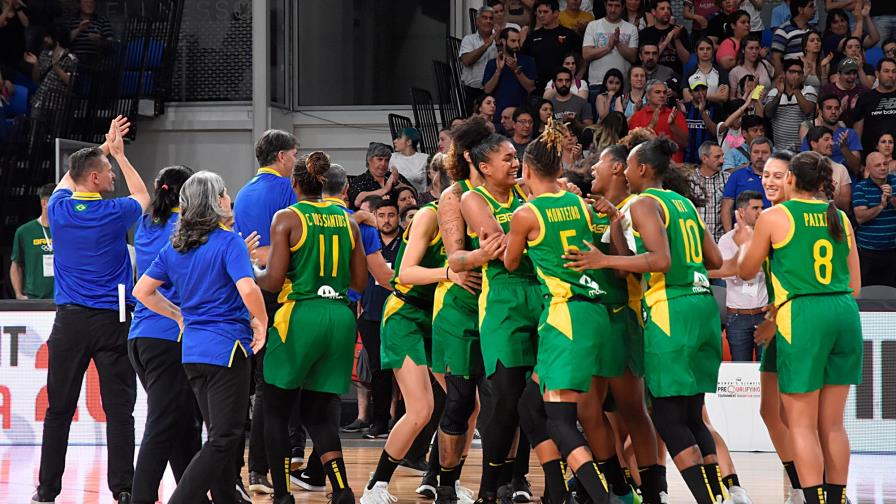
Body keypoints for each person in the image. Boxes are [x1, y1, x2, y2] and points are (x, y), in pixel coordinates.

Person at [563, 138, 726, 504]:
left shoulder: (642, 202)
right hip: (702, 304)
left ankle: (691, 497)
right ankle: (719, 494)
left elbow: (660, 260)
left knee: (667, 419)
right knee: (692, 416)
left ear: (639, 169)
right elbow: (713, 259)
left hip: (668, 309)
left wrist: (603, 261)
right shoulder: (682, 203)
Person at [133, 168, 266, 504]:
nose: (228, 198)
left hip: (191, 352)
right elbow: (248, 288)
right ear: (215, 201)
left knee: (216, 438)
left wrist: (178, 315)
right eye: (223, 193)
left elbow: (142, 291)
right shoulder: (228, 241)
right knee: (225, 436)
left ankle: (225, 499)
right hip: (226, 349)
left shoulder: (175, 247)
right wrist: (261, 320)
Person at [31, 117, 147, 504]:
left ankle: (46, 491)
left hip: (69, 322)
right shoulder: (114, 212)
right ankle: (124, 489)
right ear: (95, 179)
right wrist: (119, 154)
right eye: (108, 172)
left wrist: (101, 149)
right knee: (120, 412)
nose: (113, 175)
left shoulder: (60, 209)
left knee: (58, 409)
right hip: (112, 321)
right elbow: (144, 198)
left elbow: (70, 176)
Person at [503, 122, 620, 504]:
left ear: (527, 167)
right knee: (530, 405)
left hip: (564, 315)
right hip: (594, 311)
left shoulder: (526, 214)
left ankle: (605, 498)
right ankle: (555, 492)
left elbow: (510, 261)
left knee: (561, 421)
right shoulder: (576, 201)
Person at [736, 151, 862, 504]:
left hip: (803, 315)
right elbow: (855, 286)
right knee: (833, 425)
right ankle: (837, 498)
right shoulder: (839, 216)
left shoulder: (775, 216)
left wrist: (747, 243)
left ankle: (812, 497)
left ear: (791, 178)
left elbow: (746, 272)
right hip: (844, 312)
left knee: (802, 423)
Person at [252, 152, 367, 504]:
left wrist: (249, 269)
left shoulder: (286, 218)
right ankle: (343, 490)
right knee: (320, 409)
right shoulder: (348, 221)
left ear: (294, 183)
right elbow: (360, 281)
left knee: (275, 407)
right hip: (340, 316)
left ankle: (283, 494)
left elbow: (271, 282)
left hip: (301, 315)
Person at [361, 186, 477, 504]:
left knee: (468, 404)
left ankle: (445, 482)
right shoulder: (429, 215)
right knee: (421, 409)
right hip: (406, 314)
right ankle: (376, 485)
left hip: (438, 316)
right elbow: (406, 272)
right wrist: (448, 273)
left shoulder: (478, 214)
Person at [588, 144, 667, 503]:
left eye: (599, 165)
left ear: (620, 168)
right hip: (595, 319)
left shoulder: (635, 210)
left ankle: (651, 491)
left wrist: (613, 228)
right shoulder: (602, 209)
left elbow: (623, 268)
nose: (592, 170)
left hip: (625, 317)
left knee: (633, 412)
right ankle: (615, 486)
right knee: (595, 412)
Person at [128, 165, 204, 504]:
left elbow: (141, 194)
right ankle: (141, 496)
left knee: (183, 421)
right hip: (168, 337)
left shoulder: (147, 222)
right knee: (163, 424)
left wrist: (118, 154)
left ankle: (193, 495)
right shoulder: (185, 230)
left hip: (141, 337)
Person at [232, 128, 298, 492]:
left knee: (256, 383)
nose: (296, 162)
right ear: (282, 157)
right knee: (274, 385)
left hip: (248, 291)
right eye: (294, 155)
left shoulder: (241, 193)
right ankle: (263, 465)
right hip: (281, 293)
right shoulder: (288, 191)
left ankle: (253, 470)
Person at [431, 118, 492, 503]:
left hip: (502, 308)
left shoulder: (514, 192)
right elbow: (456, 256)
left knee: (505, 403)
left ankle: (506, 482)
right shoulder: (454, 196)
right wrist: (473, 259)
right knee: (459, 401)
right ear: (473, 156)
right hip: (462, 309)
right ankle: (446, 485)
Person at [750, 150, 805, 504]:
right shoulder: (770, 218)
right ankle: (800, 485)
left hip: (797, 321)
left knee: (803, 414)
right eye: (766, 174)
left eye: (778, 175)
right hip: (779, 319)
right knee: (770, 411)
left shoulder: (786, 217)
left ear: (793, 179)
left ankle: (814, 486)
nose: (769, 180)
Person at [709, 190, 767, 362]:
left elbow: (767, 268)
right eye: (755, 208)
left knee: (768, 369)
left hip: (764, 313)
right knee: (739, 371)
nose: (760, 212)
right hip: (736, 315)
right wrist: (749, 266)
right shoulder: (727, 240)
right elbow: (725, 271)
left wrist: (738, 267)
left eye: (762, 208)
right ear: (741, 212)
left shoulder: (768, 237)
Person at [851, 152, 896, 287]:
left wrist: (892, 199)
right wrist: (881, 205)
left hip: (893, 251)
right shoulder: (861, 187)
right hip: (868, 252)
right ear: (868, 169)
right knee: (868, 293)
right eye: (878, 165)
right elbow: (860, 218)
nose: (883, 168)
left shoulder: (895, 182)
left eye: (885, 164)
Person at [523, 0, 582, 94]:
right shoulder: (532, 36)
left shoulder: (569, 34)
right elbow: (524, 59)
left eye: (545, 12)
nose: (541, 15)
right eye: (539, 12)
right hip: (539, 88)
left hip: (565, 86)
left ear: (556, 13)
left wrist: (578, 77)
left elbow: (582, 58)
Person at [483, 27, 537, 125]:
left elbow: (530, 88)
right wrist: (498, 70)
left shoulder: (528, 61)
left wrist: (516, 70)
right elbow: (487, 89)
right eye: (513, 41)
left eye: (518, 41)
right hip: (498, 117)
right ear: (503, 41)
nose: (517, 45)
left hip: (521, 116)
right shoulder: (492, 63)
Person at [10, 183, 56, 300]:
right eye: (57, 202)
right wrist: (18, 294)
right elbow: (16, 265)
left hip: (63, 299)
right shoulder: (24, 232)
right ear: (44, 203)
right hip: (34, 298)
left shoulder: (68, 231)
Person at [24, 23, 77, 123]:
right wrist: (35, 64)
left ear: (56, 39)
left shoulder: (70, 58)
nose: (45, 39)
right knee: (34, 132)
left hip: (57, 104)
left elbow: (71, 82)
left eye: (48, 36)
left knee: (54, 134)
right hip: (39, 101)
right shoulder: (44, 54)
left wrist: (56, 67)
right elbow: (36, 79)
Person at [627, 80, 688, 163]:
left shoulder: (676, 114)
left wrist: (673, 125)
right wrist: (652, 124)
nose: (662, 95)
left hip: (672, 169)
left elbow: (685, 143)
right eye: (657, 92)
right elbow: (633, 145)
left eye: (664, 92)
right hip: (646, 166)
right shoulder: (637, 116)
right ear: (648, 95)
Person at [764, 58, 818, 152]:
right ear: (784, 74)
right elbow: (768, 113)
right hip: (780, 150)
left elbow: (808, 110)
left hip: (804, 150)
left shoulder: (809, 90)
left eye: (799, 73)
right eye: (792, 72)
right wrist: (779, 94)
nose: (796, 76)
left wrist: (796, 89)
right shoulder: (774, 92)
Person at [582, 0, 639, 87]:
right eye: (610, 5)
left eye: (617, 6)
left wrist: (618, 44)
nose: (613, 9)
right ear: (605, 5)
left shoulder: (632, 28)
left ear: (623, 7)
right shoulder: (593, 25)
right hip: (597, 83)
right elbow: (586, 54)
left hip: (622, 84)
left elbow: (633, 57)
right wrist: (608, 47)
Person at [721, 137, 772, 231]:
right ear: (750, 154)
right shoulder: (737, 176)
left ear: (771, 154)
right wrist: (729, 236)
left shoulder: (778, 177)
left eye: (764, 152)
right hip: (743, 234)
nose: (760, 156)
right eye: (756, 152)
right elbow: (726, 208)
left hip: (772, 233)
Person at [852, 58, 896, 158]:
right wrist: (860, 160)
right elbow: (857, 133)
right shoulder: (865, 98)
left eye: (894, 71)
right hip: (872, 159)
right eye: (886, 71)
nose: (890, 75)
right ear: (877, 73)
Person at [349, 142, 412, 209]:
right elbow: (356, 201)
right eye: (380, 159)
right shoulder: (359, 181)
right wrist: (385, 189)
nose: (383, 164)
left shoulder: (392, 176)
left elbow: (414, 193)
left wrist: (399, 185)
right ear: (369, 160)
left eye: (387, 160)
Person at [803, 126, 853, 211]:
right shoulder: (802, 168)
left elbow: (845, 205)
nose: (832, 143)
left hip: (833, 219)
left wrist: (825, 194)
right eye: (826, 139)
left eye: (831, 139)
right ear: (813, 144)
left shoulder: (841, 169)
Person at [460, 5, 498, 113]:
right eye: (484, 18)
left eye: (491, 18)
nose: (488, 21)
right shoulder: (469, 39)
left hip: (494, 91)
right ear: (477, 21)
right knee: (472, 126)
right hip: (473, 92)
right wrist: (486, 46)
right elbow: (466, 60)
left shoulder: (499, 41)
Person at [689, 141, 729, 242]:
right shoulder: (689, 180)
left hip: (719, 242)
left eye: (722, 156)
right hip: (696, 241)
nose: (722, 160)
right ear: (704, 158)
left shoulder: (728, 179)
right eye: (717, 157)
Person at [640, 0, 691, 76]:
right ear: (653, 12)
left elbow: (686, 60)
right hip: (652, 78)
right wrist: (666, 41)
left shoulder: (680, 30)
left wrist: (676, 39)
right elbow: (646, 60)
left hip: (675, 78)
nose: (666, 11)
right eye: (662, 9)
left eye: (668, 9)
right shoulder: (645, 33)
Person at [771, 0, 817, 77]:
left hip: (812, 78)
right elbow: (776, 58)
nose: (814, 9)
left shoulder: (814, 32)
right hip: (792, 79)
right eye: (811, 6)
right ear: (800, 9)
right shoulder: (783, 30)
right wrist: (783, 79)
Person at [549, 67, 594, 140]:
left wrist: (575, 122)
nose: (564, 84)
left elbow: (590, 129)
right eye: (560, 80)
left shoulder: (582, 103)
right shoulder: (548, 104)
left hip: (578, 143)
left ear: (571, 82)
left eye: (567, 80)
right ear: (554, 83)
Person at [821, 57, 868, 126]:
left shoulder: (863, 91)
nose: (852, 77)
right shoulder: (828, 90)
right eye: (848, 73)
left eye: (854, 73)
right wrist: (840, 110)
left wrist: (856, 109)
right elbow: (822, 118)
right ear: (839, 74)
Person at [65, 0, 113, 64]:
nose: (89, 5)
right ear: (79, 4)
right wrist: (79, 30)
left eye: (92, 2)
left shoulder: (103, 21)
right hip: (73, 60)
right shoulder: (71, 20)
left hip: (96, 62)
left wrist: (100, 41)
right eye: (86, 2)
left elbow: (111, 44)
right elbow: (63, 41)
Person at [684, 37, 729, 104]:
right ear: (696, 51)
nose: (705, 52)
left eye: (708, 49)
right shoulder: (690, 72)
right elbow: (688, 98)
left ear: (712, 51)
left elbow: (724, 97)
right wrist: (716, 96)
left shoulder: (721, 71)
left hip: (717, 111)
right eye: (701, 49)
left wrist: (696, 95)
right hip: (696, 112)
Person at [728, 34, 773, 100]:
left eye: (757, 48)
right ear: (743, 50)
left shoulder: (765, 64)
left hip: (767, 107)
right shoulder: (734, 72)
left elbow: (775, 80)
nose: (754, 51)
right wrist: (756, 89)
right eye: (751, 48)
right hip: (746, 107)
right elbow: (732, 98)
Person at [390, 127, 430, 195]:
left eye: (399, 138)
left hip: (419, 199)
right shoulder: (391, 157)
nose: (394, 141)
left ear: (408, 142)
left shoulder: (424, 159)